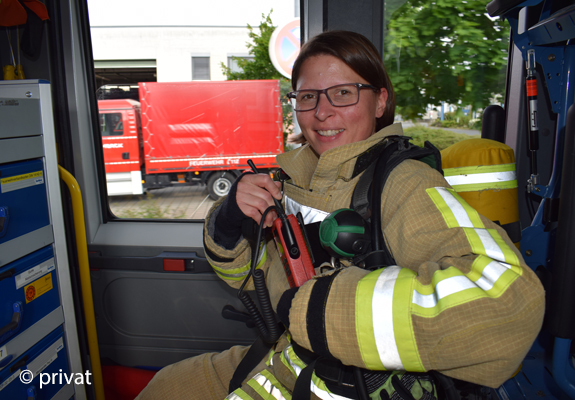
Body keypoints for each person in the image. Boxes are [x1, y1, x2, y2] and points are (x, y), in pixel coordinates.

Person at [136, 30, 545, 400]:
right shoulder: (291, 178)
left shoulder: (404, 182)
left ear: (380, 100)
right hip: (283, 357)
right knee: (165, 387)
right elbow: (253, 282)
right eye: (307, 96)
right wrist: (228, 226)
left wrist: (320, 312)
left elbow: (507, 303)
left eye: (343, 93)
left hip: (348, 380)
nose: (321, 112)